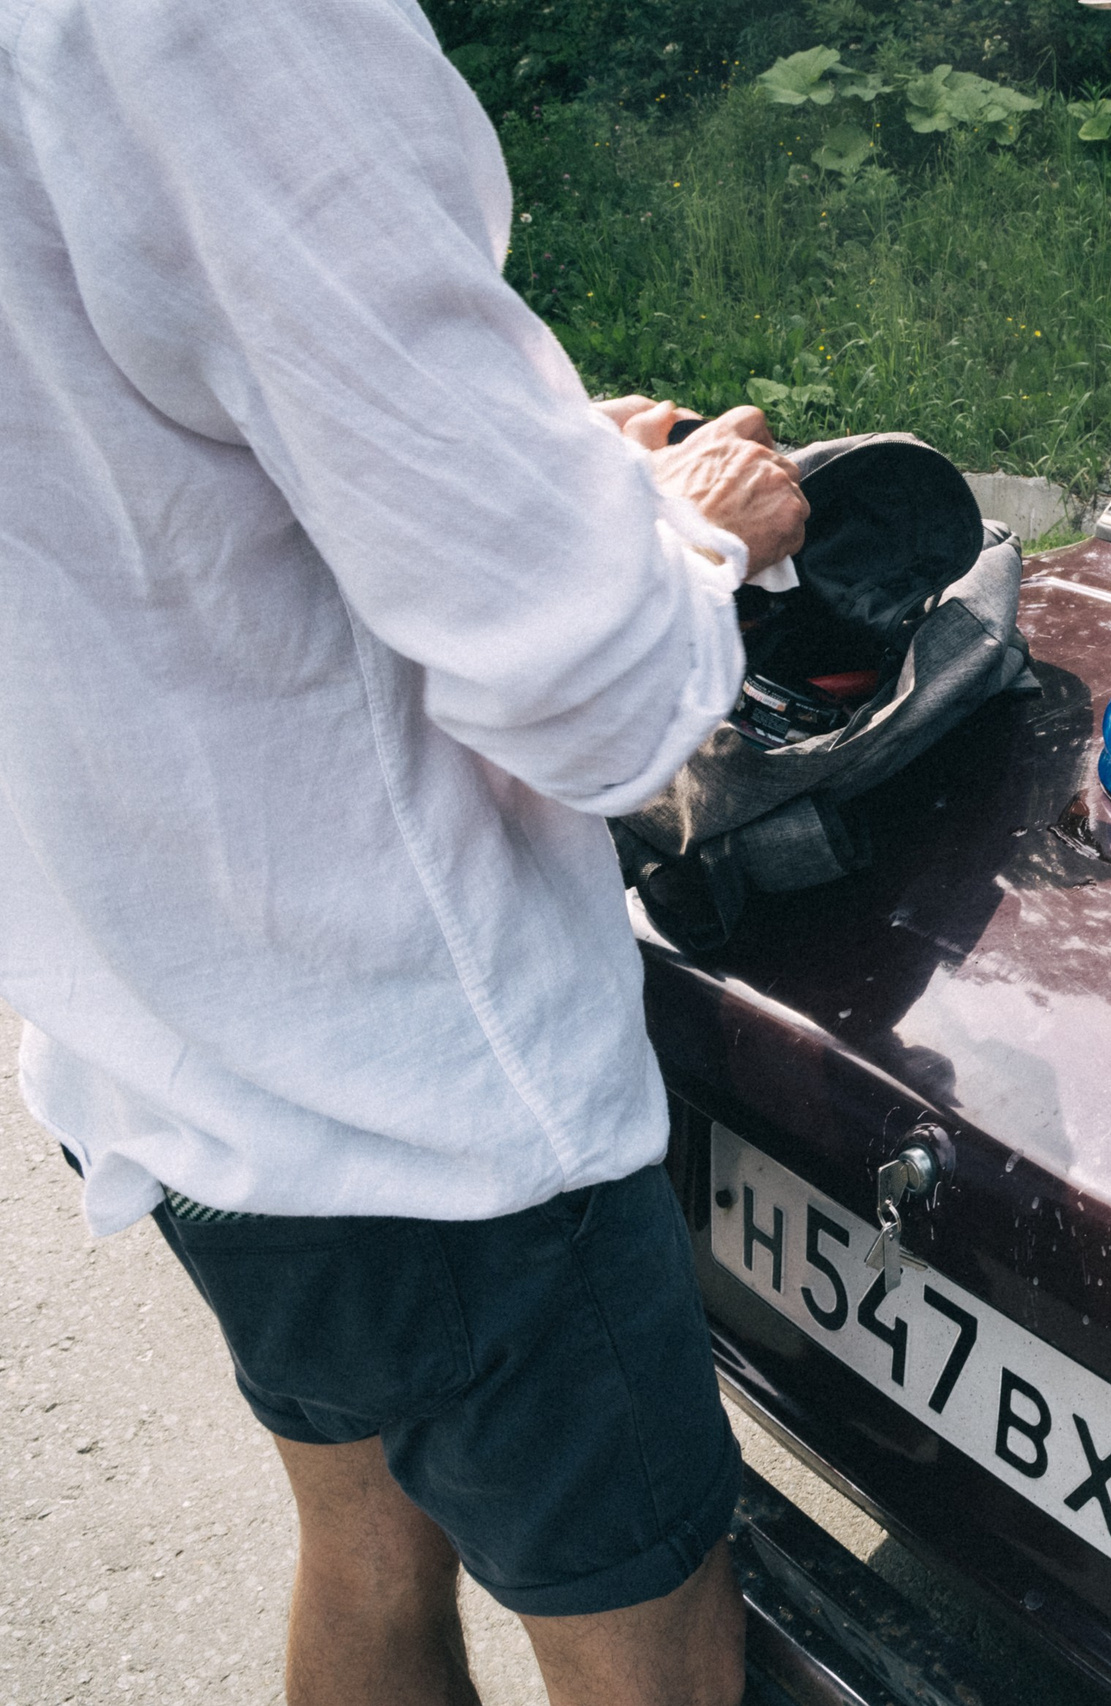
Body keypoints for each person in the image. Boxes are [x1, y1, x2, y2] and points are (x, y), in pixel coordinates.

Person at [0, 3, 808, 1701]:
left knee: (365, 1549)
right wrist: (690, 538)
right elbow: (585, 687)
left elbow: (154, 482)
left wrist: (546, 470)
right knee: (643, 1635)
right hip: (428, 1085)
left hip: (162, 1024)